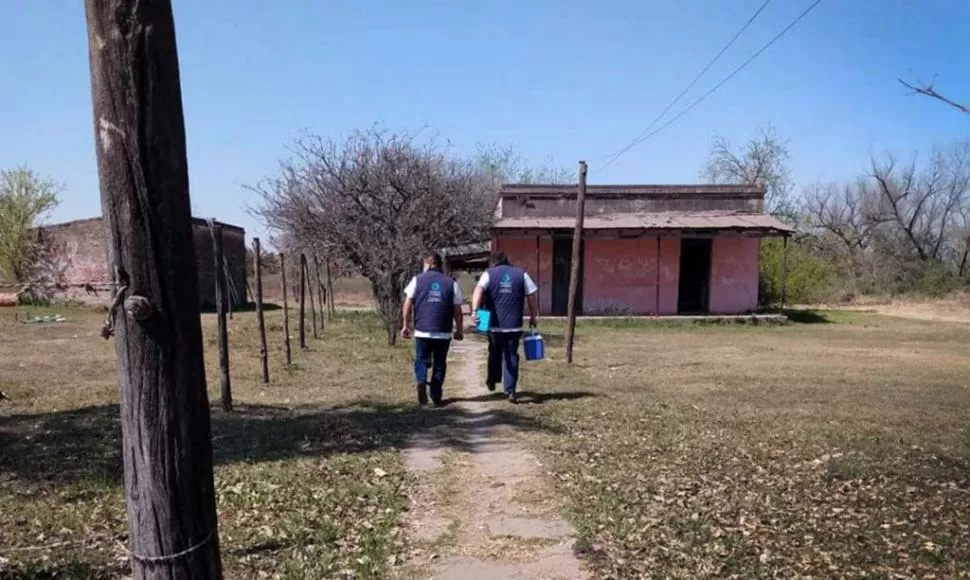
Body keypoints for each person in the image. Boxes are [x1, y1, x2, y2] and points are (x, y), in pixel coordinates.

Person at [471, 252, 539, 403]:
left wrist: (475, 311)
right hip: (514, 325)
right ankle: (511, 391)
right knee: (511, 356)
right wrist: (534, 316)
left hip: (493, 324)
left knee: (494, 352)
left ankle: (492, 379)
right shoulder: (521, 274)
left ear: (494, 263)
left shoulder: (488, 274)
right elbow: (532, 296)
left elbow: (478, 291)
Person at [401, 252, 464, 406]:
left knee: (421, 359)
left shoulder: (417, 280)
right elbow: (457, 310)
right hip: (443, 331)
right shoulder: (451, 283)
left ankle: (421, 381)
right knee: (440, 363)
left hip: (422, 330)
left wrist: (405, 325)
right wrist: (459, 330)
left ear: (428, 264)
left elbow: (407, 304)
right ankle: (436, 395)